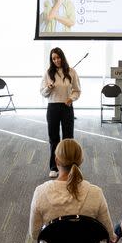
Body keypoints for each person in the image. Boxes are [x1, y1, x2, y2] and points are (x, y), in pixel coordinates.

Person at [29, 139, 115, 243]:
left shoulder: (40, 192)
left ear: (56, 160)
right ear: (81, 160)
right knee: (73, 235)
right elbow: (108, 234)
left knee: (59, 236)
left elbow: (35, 234)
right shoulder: (96, 193)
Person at [40, 48, 80, 178]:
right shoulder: (48, 73)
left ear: (62, 57)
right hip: (52, 107)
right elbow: (42, 93)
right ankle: (53, 167)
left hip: (66, 106)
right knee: (54, 139)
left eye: (58, 57)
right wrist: (48, 87)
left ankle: (70, 168)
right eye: (54, 58)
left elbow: (77, 90)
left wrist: (71, 98)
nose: (56, 60)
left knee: (68, 138)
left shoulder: (71, 72)